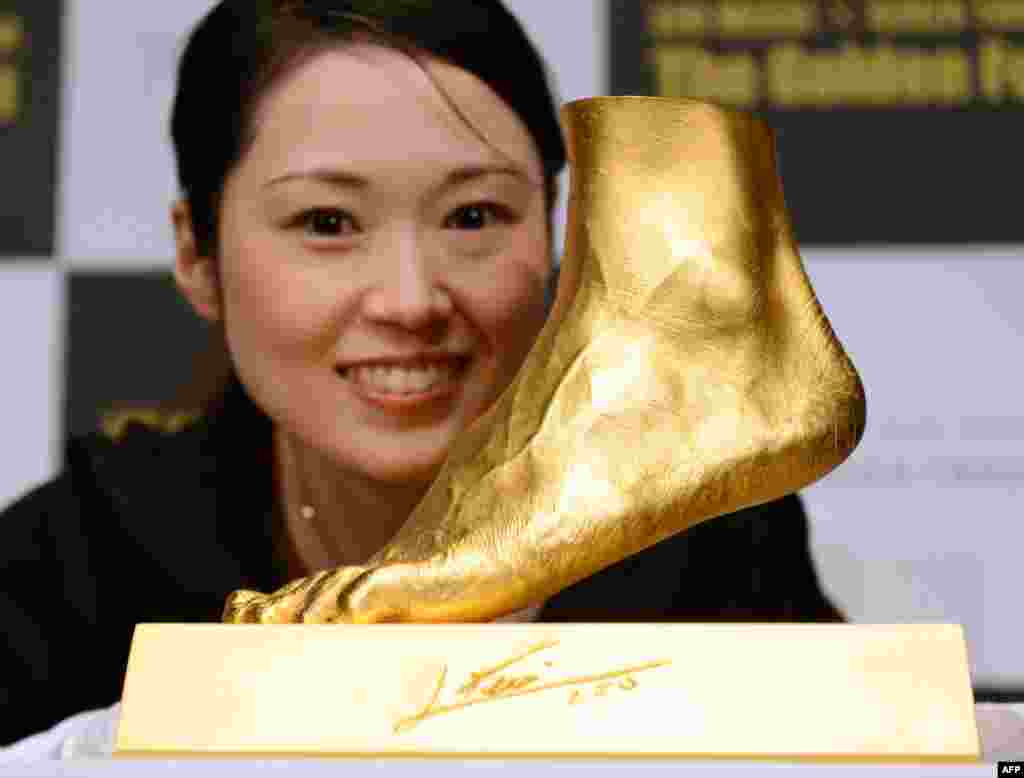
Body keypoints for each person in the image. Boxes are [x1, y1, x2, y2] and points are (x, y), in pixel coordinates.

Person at [0, 0, 843, 748]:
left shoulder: (712, 538)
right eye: (326, 222)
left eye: (473, 216)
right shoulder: (74, 563)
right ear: (197, 253)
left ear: (558, 236)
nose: (411, 301)